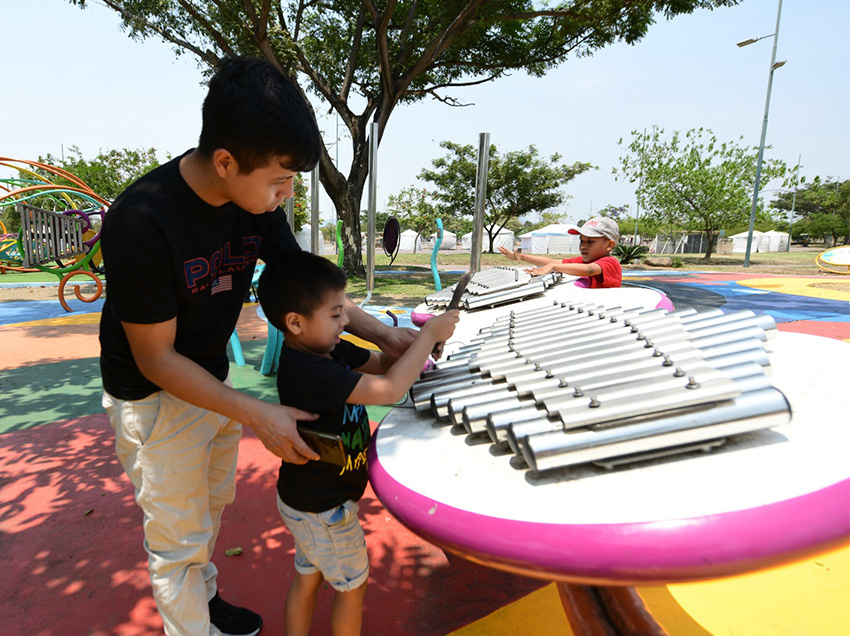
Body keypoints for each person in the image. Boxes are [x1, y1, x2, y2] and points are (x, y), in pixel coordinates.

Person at [98, 56, 417, 636]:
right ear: (225, 161)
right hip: (152, 394)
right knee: (177, 539)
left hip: (209, 380)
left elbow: (313, 290)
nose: (284, 196)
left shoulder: (256, 207)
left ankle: (206, 601)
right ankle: (190, 624)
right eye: (278, 181)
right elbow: (155, 358)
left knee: (212, 507)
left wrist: (388, 335)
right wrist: (259, 414)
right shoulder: (141, 219)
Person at [257, 251, 459, 636]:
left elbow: (384, 365)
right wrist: (430, 334)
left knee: (310, 575)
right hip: (323, 507)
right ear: (296, 323)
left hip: (309, 499)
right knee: (352, 587)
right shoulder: (309, 370)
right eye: (335, 314)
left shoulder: (327, 349)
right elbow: (388, 389)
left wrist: (417, 354)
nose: (346, 321)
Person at [498, 217, 622, 288]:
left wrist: (553, 267)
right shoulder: (585, 261)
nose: (583, 246)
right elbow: (552, 261)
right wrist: (521, 256)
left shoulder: (610, 263)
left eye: (590, 241)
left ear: (609, 245)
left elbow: (590, 270)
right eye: (581, 241)